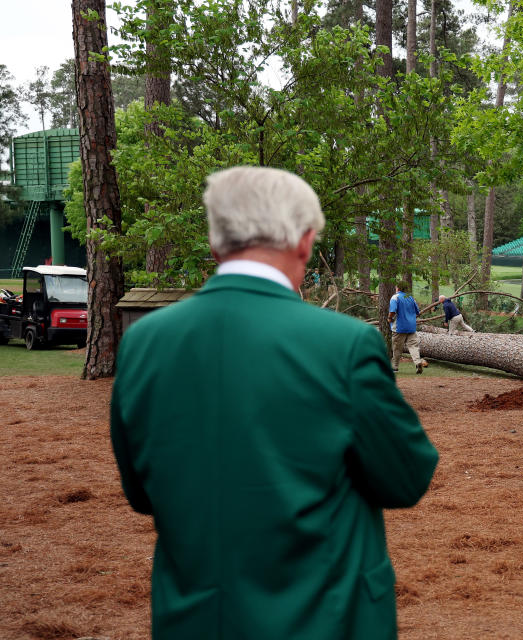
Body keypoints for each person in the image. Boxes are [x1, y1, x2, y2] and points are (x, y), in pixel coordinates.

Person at [110, 166, 438, 640]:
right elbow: (406, 478)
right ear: (304, 241)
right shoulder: (343, 344)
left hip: (196, 620)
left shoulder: (144, 342)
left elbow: (141, 493)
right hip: (327, 619)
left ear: (214, 241)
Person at [388, 285, 428, 374]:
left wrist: (389, 318)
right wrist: (410, 318)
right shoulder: (410, 298)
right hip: (411, 327)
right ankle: (418, 362)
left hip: (399, 327)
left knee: (397, 348)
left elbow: (393, 311)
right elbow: (417, 312)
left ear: (398, 288)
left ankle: (395, 367)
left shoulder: (395, 297)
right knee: (413, 347)